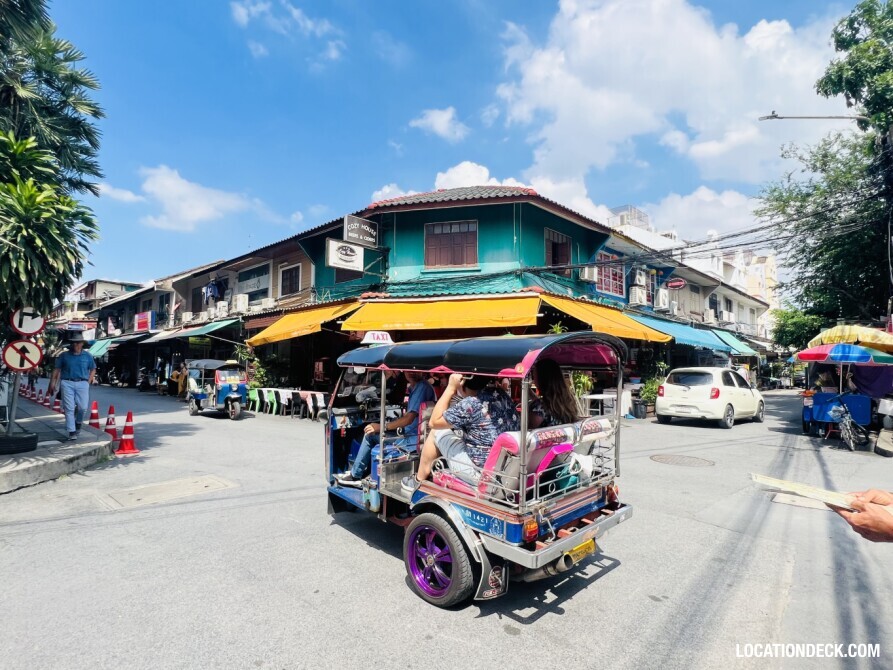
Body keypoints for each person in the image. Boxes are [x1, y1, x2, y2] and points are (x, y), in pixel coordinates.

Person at [402, 373, 499, 492]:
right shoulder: (500, 395)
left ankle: (418, 481)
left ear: (462, 384)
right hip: (501, 468)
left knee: (436, 432)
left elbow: (434, 422)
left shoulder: (470, 403)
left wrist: (450, 388)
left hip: (480, 472)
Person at [336, 371, 435, 486]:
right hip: (412, 437)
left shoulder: (421, 387)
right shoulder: (419, 388)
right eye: (408, 370)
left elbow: (409, 419)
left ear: (422, 371)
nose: (411, 373)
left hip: (410, 442)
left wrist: (382, 427)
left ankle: (355, 475)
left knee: (370, 435)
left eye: (415, 370)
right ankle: (358, 472)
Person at [47, 332, 96, 441]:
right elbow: (57, 369)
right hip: (67, 382)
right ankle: (72, 431)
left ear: (82, 344)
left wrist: (88, 381)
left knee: (82, 407)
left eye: (78, 343)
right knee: (68, 408)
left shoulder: (87, 356)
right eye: (73, 343)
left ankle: (78, 422)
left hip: (82, 383)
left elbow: (93, 369)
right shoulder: (64, 356)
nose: (75, 345)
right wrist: (52, 383)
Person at [529, 358, 582, 428]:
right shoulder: (567, 401)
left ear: (542, 379)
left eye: (534, 377)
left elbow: (529, 429)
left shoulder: (538, 407)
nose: (533, 381)